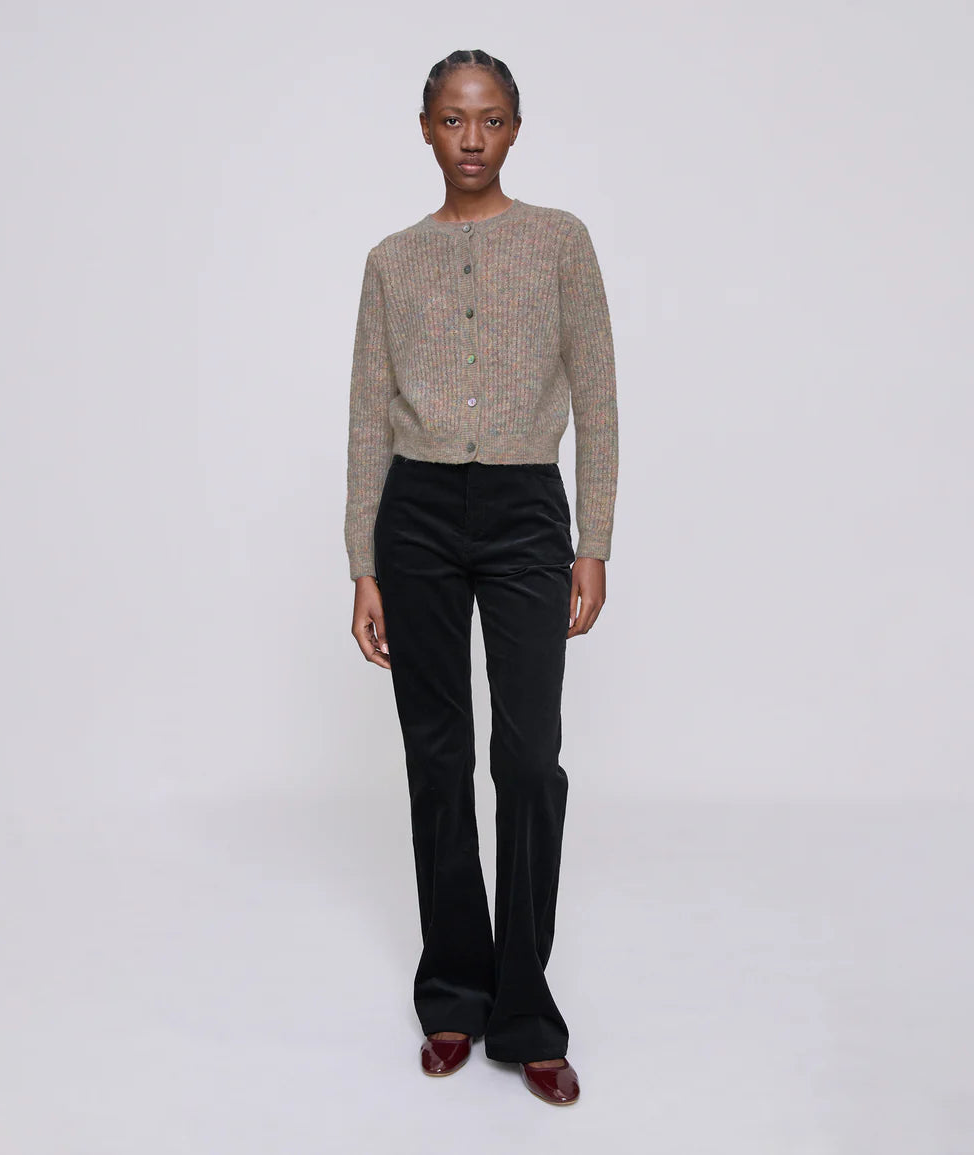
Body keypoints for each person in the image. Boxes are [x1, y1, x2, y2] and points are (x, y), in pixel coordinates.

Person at [343, 48, 618, 1107]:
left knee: (529, 756)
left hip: (523, 512)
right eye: (453, 119)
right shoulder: (390, 260)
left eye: (491, 118)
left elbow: (597, 394)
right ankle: (454, 990)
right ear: (424, 128)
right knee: (436, 753)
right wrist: (363, 561)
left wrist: (592, 539)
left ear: (515, 129)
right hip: (413, 513)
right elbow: (367, 415)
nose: (471, 138)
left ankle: (525, 1006)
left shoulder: (559, 241)